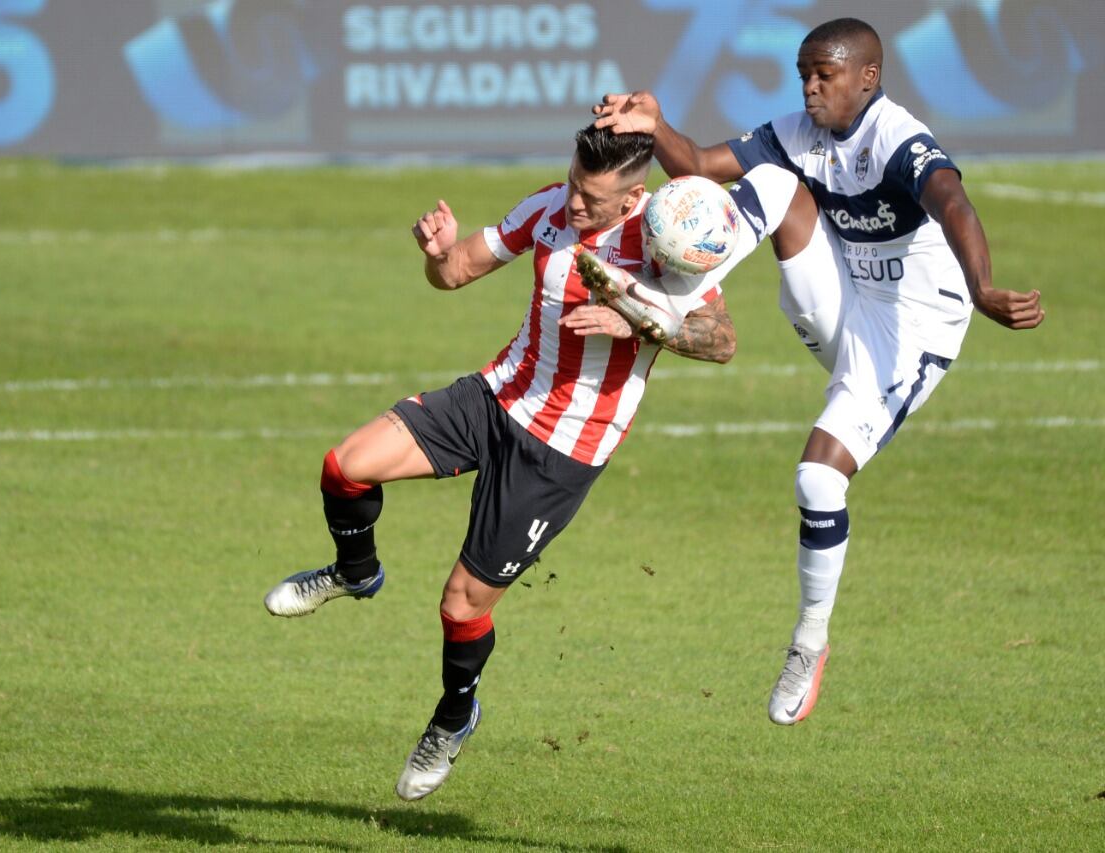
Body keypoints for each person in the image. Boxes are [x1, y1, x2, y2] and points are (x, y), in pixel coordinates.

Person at [263, 125, 745, 801]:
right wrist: (437, 254)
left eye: (593, 198)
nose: (576, 203)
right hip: (494, 398)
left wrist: (639, 319)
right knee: (346, 465)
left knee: (461, 603)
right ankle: (355, 571)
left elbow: (721, 341)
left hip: (560, 450)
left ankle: (454, 717)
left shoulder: (666, 240)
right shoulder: (549, 207)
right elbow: (455, 272)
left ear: (633, 196)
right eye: (574, 184)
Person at [592, 17, 1044, 725]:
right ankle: (670, 301)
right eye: (804, 73)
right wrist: (655, 125)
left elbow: (953, 201)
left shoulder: (897, 139)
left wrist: (983, 286)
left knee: (817, 479)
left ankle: (808, 642)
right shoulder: (800, 132)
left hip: (911, 327)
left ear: (867, 77)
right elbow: (699, 165)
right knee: (774, 182)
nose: (809, 87)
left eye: (823, 75)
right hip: (843, 298)